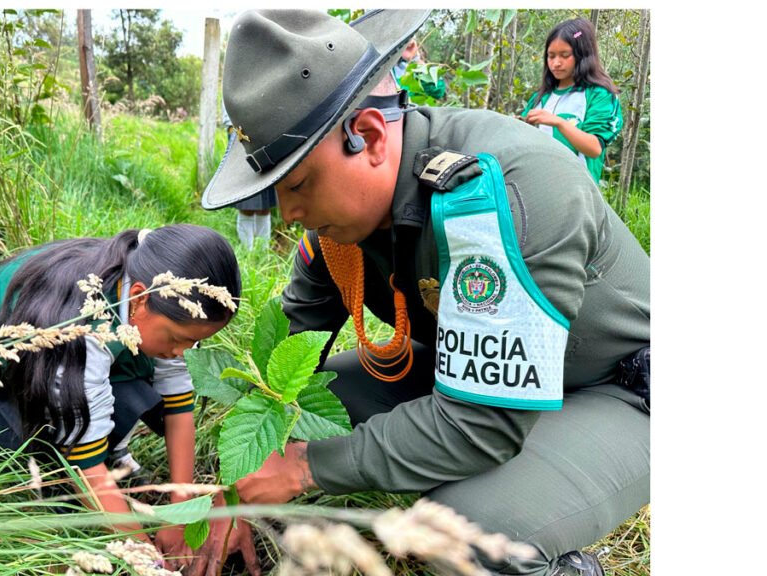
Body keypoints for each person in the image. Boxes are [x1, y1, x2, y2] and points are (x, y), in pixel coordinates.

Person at [201, 10, 648, 576]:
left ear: (368, 137)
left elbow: (483, 423)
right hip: (466, 372)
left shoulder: (506, 189)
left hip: (616, 389)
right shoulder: (337, 230)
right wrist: (240, 486)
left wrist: (305, 469)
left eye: (298, 184)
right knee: (319, 396)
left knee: (458, 534)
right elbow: (293, 347)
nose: (289, 213)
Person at [0, 224, 246, 569]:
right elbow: (85, 465)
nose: (182, 351)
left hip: (60, 365)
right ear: (141, 297)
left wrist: (179, 513)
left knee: (133, 387)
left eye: (193, 342)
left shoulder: (163, 295)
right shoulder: (84, 324)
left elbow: (179, 405)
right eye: (177, 339)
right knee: (50, 488)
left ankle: (96, 447)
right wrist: (147, 558)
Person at [521, 18, 623, 184]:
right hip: (537, 185)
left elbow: (594, 148)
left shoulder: (599, 95)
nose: (556, 63)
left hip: (577, 188)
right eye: (551, 56)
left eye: (565, 55)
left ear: (582, 55)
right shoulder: (541, 97)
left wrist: (559, 122)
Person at [223, 102, 276, 249]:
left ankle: (263, 251)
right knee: (246, 202)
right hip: (239, 133)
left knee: (265, 202)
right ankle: (248, 252)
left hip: (264, 130)